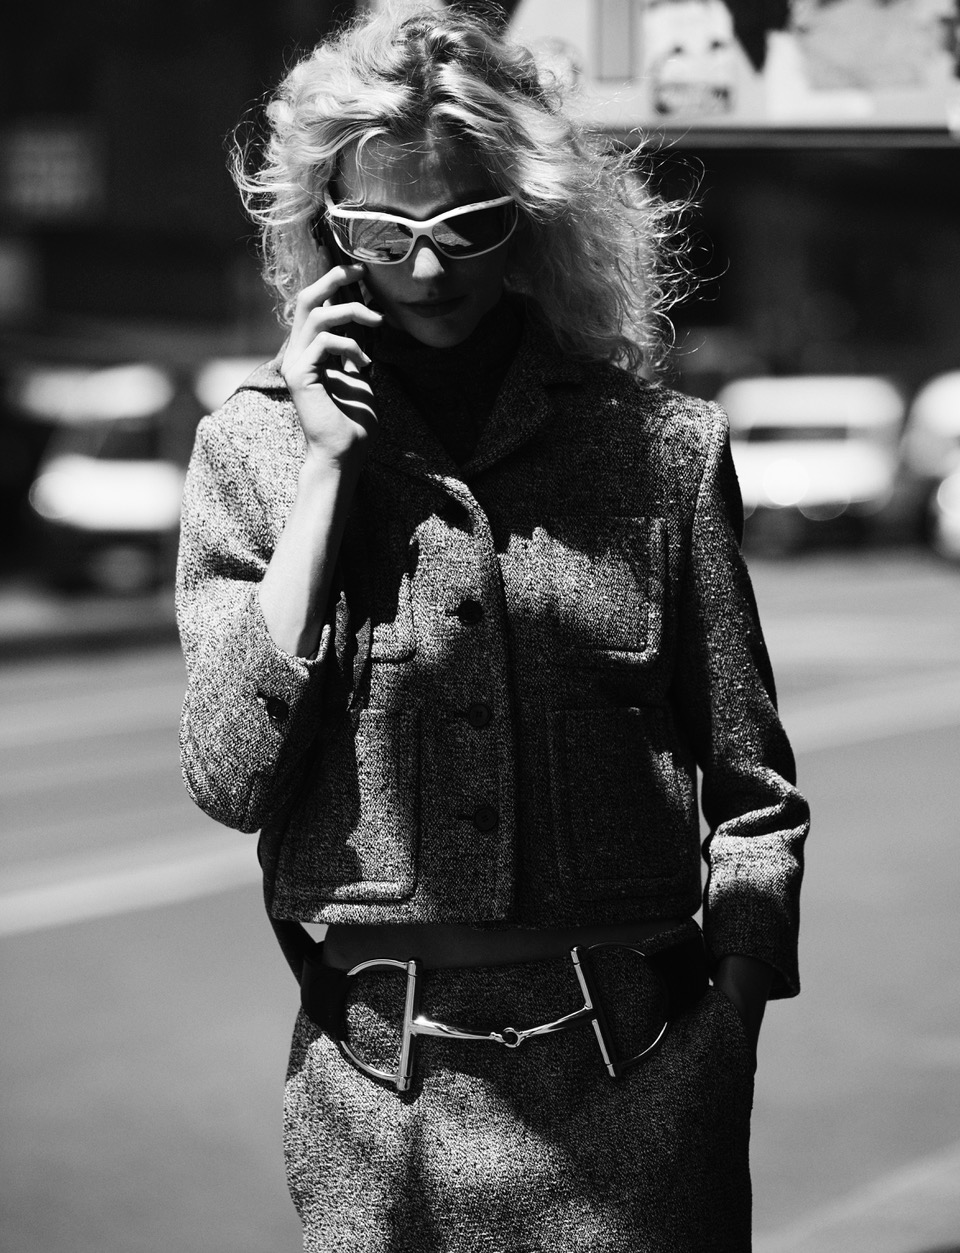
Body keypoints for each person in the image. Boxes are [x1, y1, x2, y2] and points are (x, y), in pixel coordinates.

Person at [176, 5, 809, 1250]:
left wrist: (731, 1022)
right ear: (323, 223)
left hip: (642, 1085)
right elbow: (229, 777)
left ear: (530, 212)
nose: (425, 270)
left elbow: (753, 791)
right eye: (382, 231)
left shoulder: (659, 447)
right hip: (377, 1103)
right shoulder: (250, 450)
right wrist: (326, 475)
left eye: (465, 224)